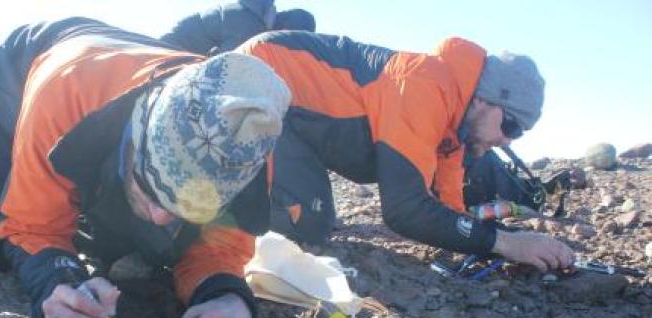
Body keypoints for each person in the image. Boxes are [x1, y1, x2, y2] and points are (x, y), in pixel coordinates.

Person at [0, 17, 291, 318]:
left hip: (89, 123)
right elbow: (35, 226)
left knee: (152, 244)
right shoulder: (72, 87)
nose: (164, 216)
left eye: (189, 204)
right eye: (152, 185)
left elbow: (220, 249)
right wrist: (56, 285)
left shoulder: (244, 138)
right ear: (134, 137)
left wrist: (225, 298)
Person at [241, 31, 574, 272]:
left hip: (298, 121)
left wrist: (508, 239)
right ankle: (219, 222)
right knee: (308, 223)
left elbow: (448, 212)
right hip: (262, 82)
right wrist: (505, 243)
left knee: (314, 219)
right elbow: (404, 210)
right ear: (486, 100)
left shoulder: (454, 128)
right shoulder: (426, 86)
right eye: (511, 126)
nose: (508, 142)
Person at [160, 0, 315, 56]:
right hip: (167, 53)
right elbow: (230, 66)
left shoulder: (253, 13)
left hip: (175, 50)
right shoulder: (250, 25)